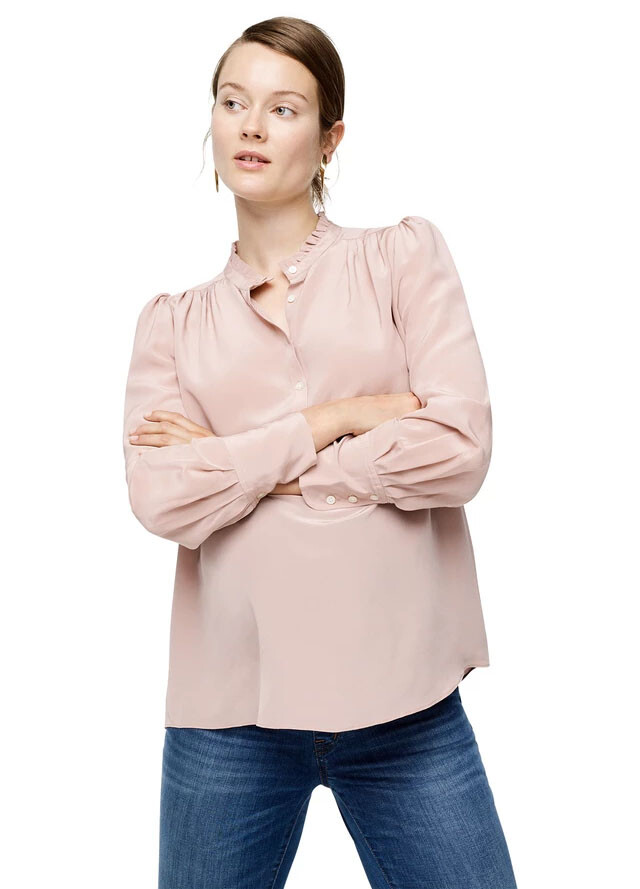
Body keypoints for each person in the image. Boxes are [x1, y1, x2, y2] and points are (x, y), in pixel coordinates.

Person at [123, 16, 519, 889]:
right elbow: (161, 497)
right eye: (233, 102)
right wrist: (337, 418)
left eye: (283, 107)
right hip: (229, 714)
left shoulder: (401, 259)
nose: (252, 126)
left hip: (407, 708)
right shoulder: (171, 326)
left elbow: (460, 450)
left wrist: (239, 463)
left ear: (330, 137)